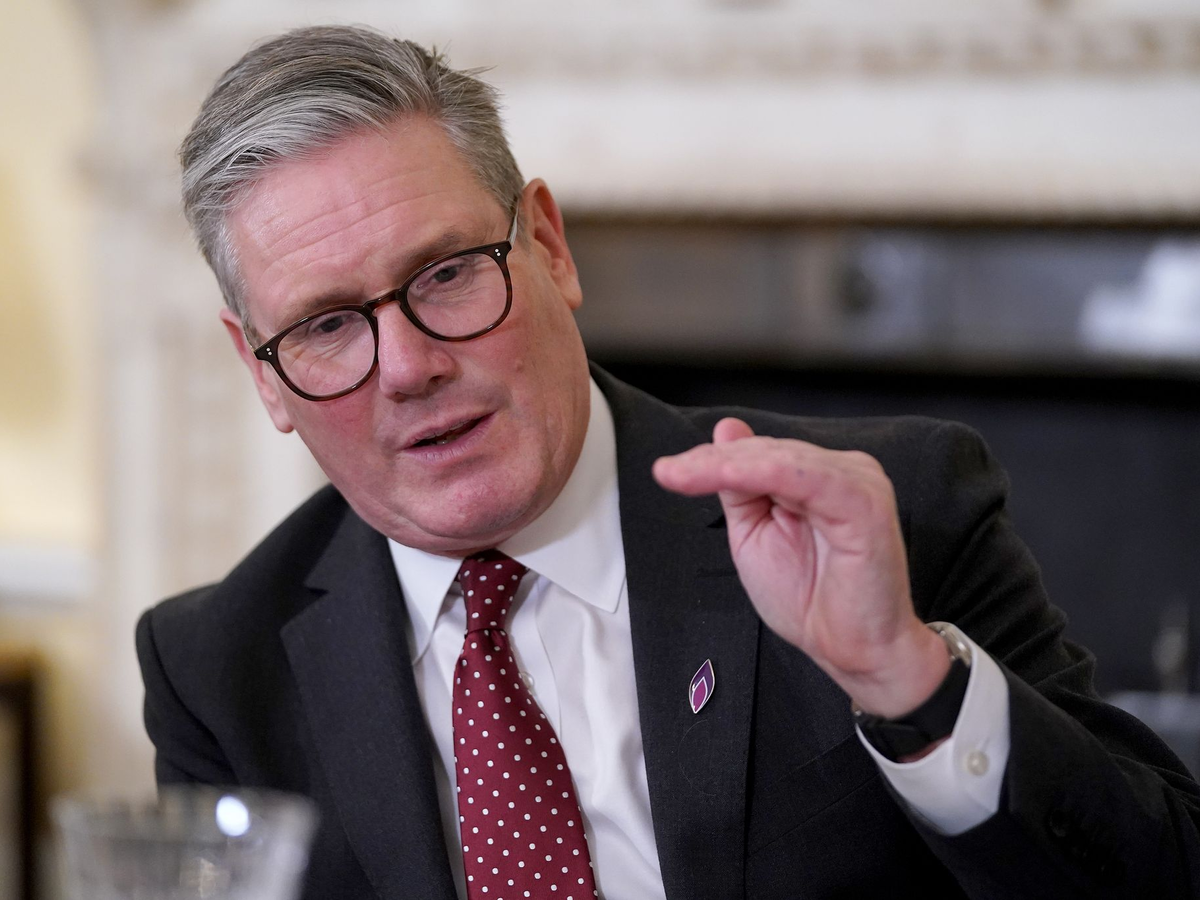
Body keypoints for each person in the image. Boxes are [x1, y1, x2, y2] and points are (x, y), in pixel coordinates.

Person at [136, 24, 1200, 900]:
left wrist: (907, 681)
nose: (410, 367)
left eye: (448, 272)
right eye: (326, 326)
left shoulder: (888, 514)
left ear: (549, 245)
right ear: (261, 372)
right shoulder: (219, 670)